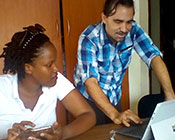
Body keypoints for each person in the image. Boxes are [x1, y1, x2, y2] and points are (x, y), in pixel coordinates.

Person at [74, 0, 175, 126]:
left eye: (129, 22)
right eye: (118, 22)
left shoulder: (133, 30)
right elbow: (90, 82)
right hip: (89, 100)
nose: (124, 29)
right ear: (104, 18)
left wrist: (170, 96)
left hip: (114, 97)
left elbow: (154, 57)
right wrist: (115, 115)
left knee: (116, 134)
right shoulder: (89, 39)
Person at [0, 24, 96, 140]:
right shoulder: (2, 88)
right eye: (49, 65)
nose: (56, 69)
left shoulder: (56, 80)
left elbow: (88, 115)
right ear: (28, 68)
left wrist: (63, 133)